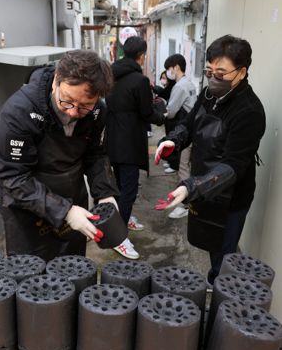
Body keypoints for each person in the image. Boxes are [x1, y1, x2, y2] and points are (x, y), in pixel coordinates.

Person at [155, 35, 266, 285]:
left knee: (224, 253)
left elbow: (233, 166)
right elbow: (189, 123)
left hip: (230, 195)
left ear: (242, 72)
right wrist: (174, 140)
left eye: (221, 72)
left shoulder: (249, 111)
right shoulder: (208, 94)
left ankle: (220, 295)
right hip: (203, 183)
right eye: (209, 71)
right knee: (206, 240)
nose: (213, 78)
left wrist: (190, 186)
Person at [0, 50, 119, 262]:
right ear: (56, 81)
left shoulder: (98, 112)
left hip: (71, 193)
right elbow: (14, 178)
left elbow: (95, 154)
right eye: (66, 101)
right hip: (27, 202)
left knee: (71, 263)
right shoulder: (18, 113)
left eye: (85, 106)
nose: (73, 112)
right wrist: (65, 211)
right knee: (32, 271)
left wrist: (105, 193)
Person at [106, 36, 166, 260]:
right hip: (130, 140)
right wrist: (162, 116)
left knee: (120, 185)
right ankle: (118, 238)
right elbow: (146, 113)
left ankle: (125, 216)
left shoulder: (111, 73)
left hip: (112, 137)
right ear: (141, 55)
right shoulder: (138, 80)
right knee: (129, 189)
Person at [162, 53, 197, 219]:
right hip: (194, 130)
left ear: (176, 67)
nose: (168, 72)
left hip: (186, 131)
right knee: (187, 165)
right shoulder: (189, 83)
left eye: (169, 68)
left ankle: (184, 204)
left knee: (183, 167)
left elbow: (171, 111)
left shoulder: (179, 87)